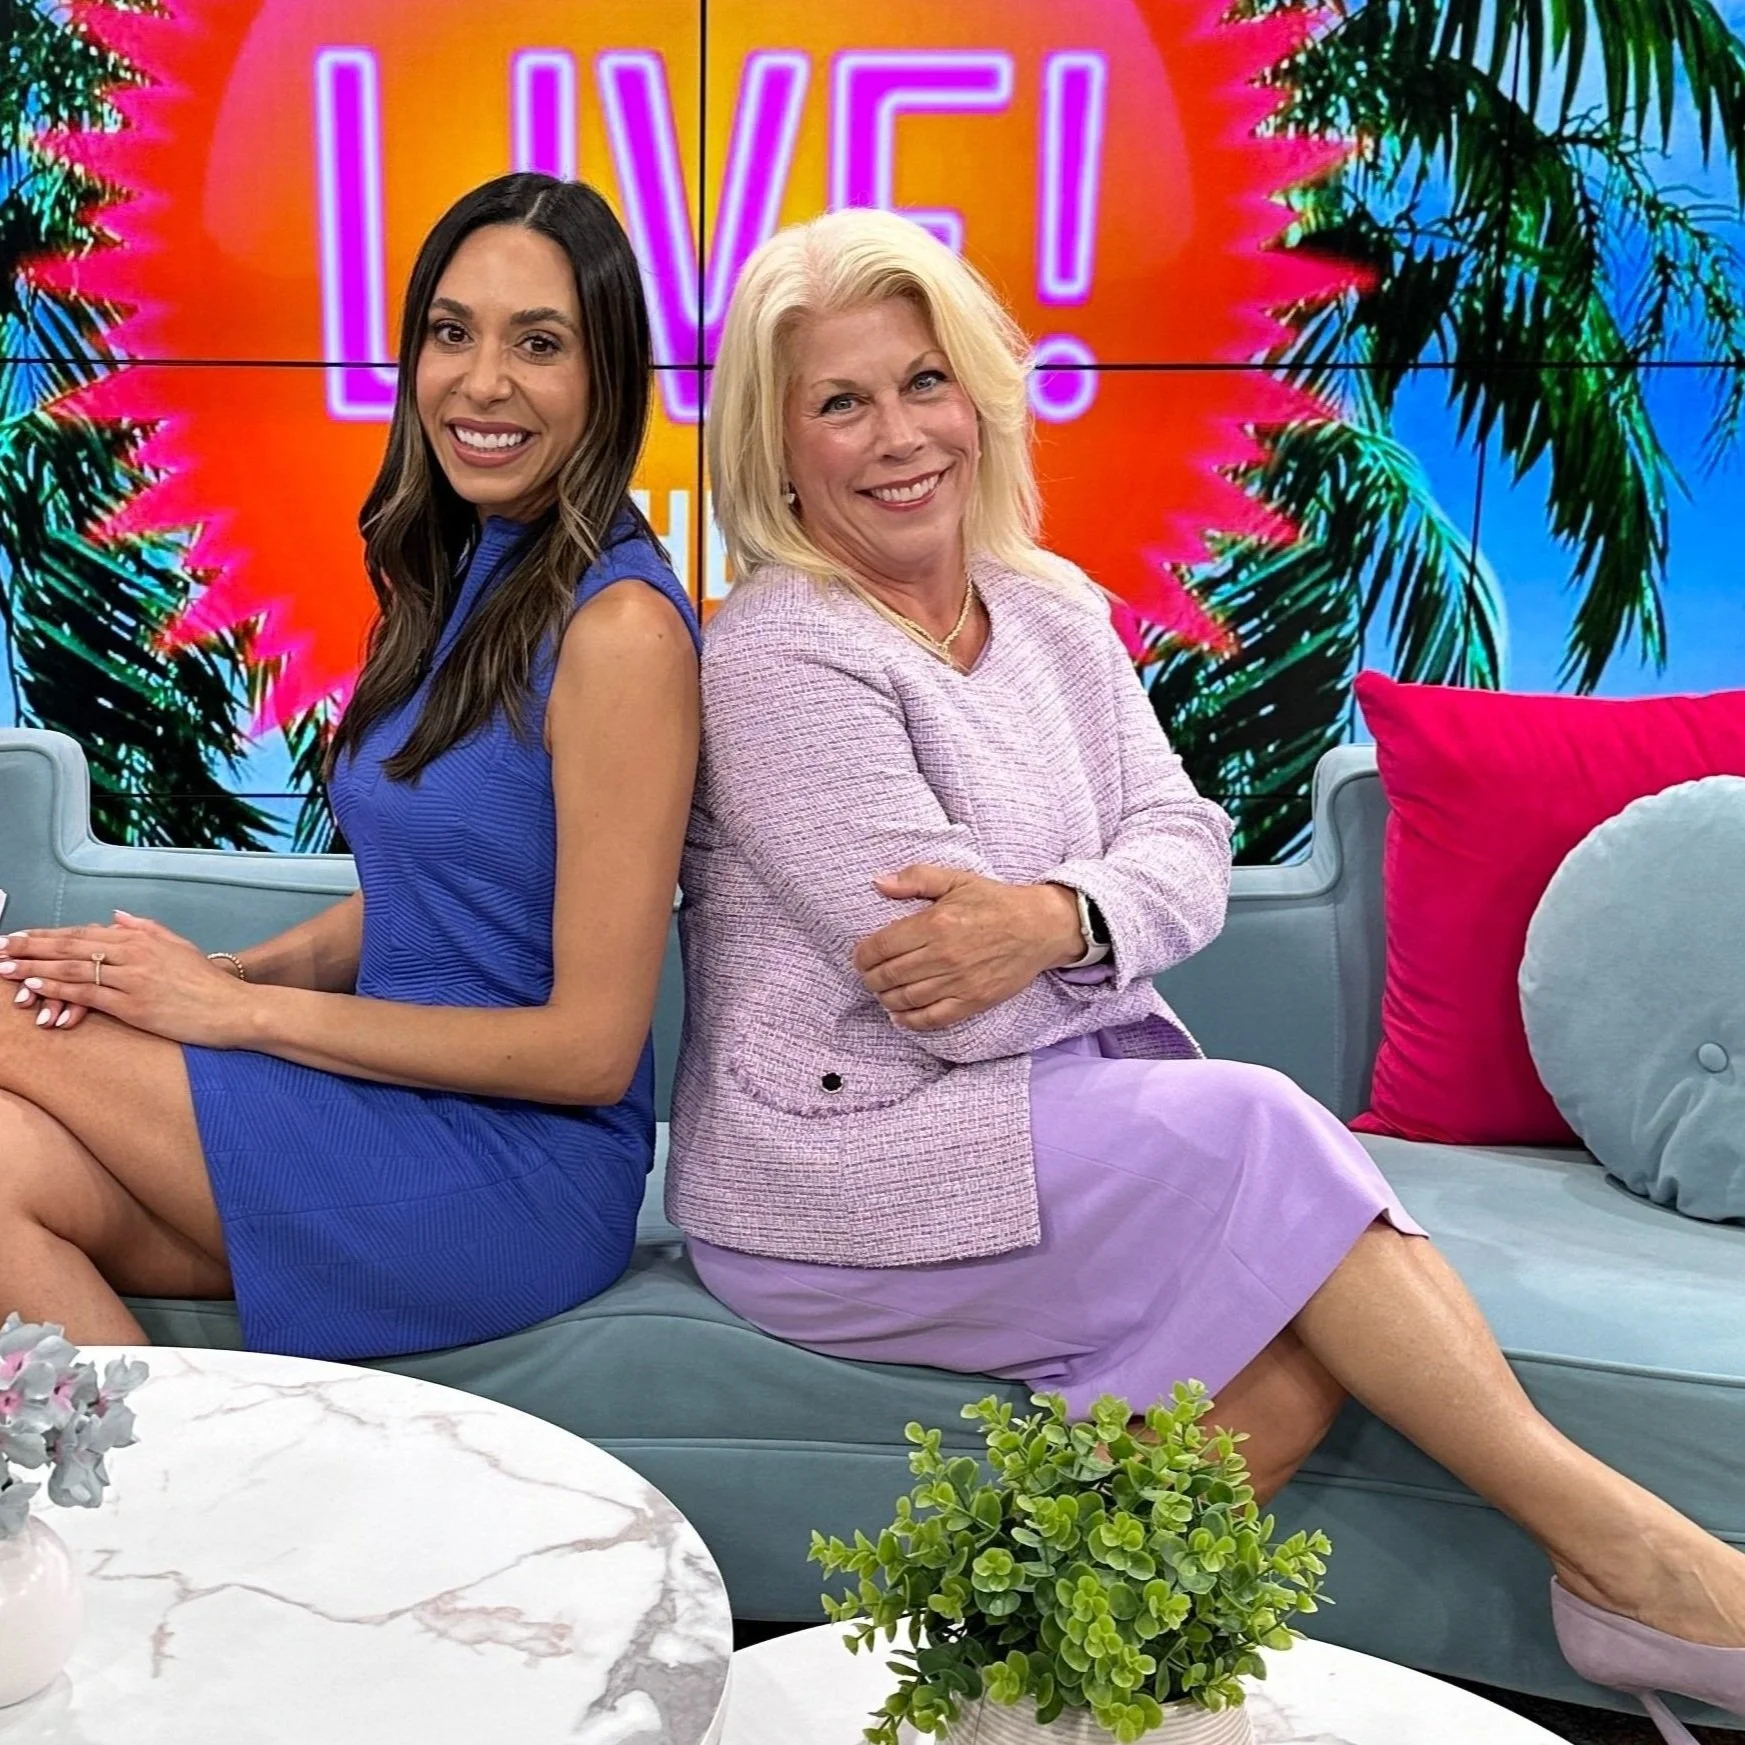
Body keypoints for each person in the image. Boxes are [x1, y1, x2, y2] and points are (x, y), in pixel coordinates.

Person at [667, 206, 1745, 1737]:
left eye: (922, 382)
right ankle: (1641, 1563)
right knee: (1261, 1130)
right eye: (838, 403)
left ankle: (1009, 1696)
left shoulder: (1048, 608)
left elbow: (1190, 837)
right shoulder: (779, 656)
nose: (897, 435)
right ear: (775, 455)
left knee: (1293, 1353)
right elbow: (940, 998)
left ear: (977, 394)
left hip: (1072, 1112)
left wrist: (1054, 919)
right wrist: (1109, 918)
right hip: (842, 1170)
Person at [0, 173, 700, 1360]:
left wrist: (236, 1013)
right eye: (451, 331)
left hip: (514, 1166)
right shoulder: (449, 579)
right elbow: (444, 894)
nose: (482, 382)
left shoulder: (620, 631)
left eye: (539, 342)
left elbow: (587, 1046)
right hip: (381, 1116)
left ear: (607, 378)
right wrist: (209, 976)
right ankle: (168, 1520)